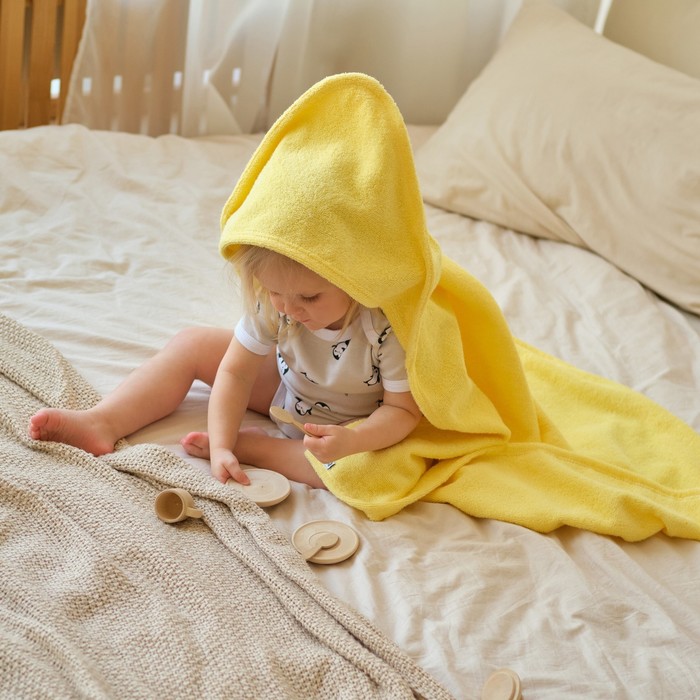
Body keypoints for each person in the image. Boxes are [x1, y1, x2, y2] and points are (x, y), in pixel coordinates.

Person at [28, 244, 422, 489]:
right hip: (288, 387)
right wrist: (220, 444)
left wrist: (354, 441)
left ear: (356, 280)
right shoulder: (277, 303)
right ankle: (103, 422)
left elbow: (402, 411)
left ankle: (259, 448)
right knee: (192, 344)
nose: (290, 309)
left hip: (351, 426)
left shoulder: (384, 328)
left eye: (309, 297)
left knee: (369, 472)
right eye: (275, 292)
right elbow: (236, 372)